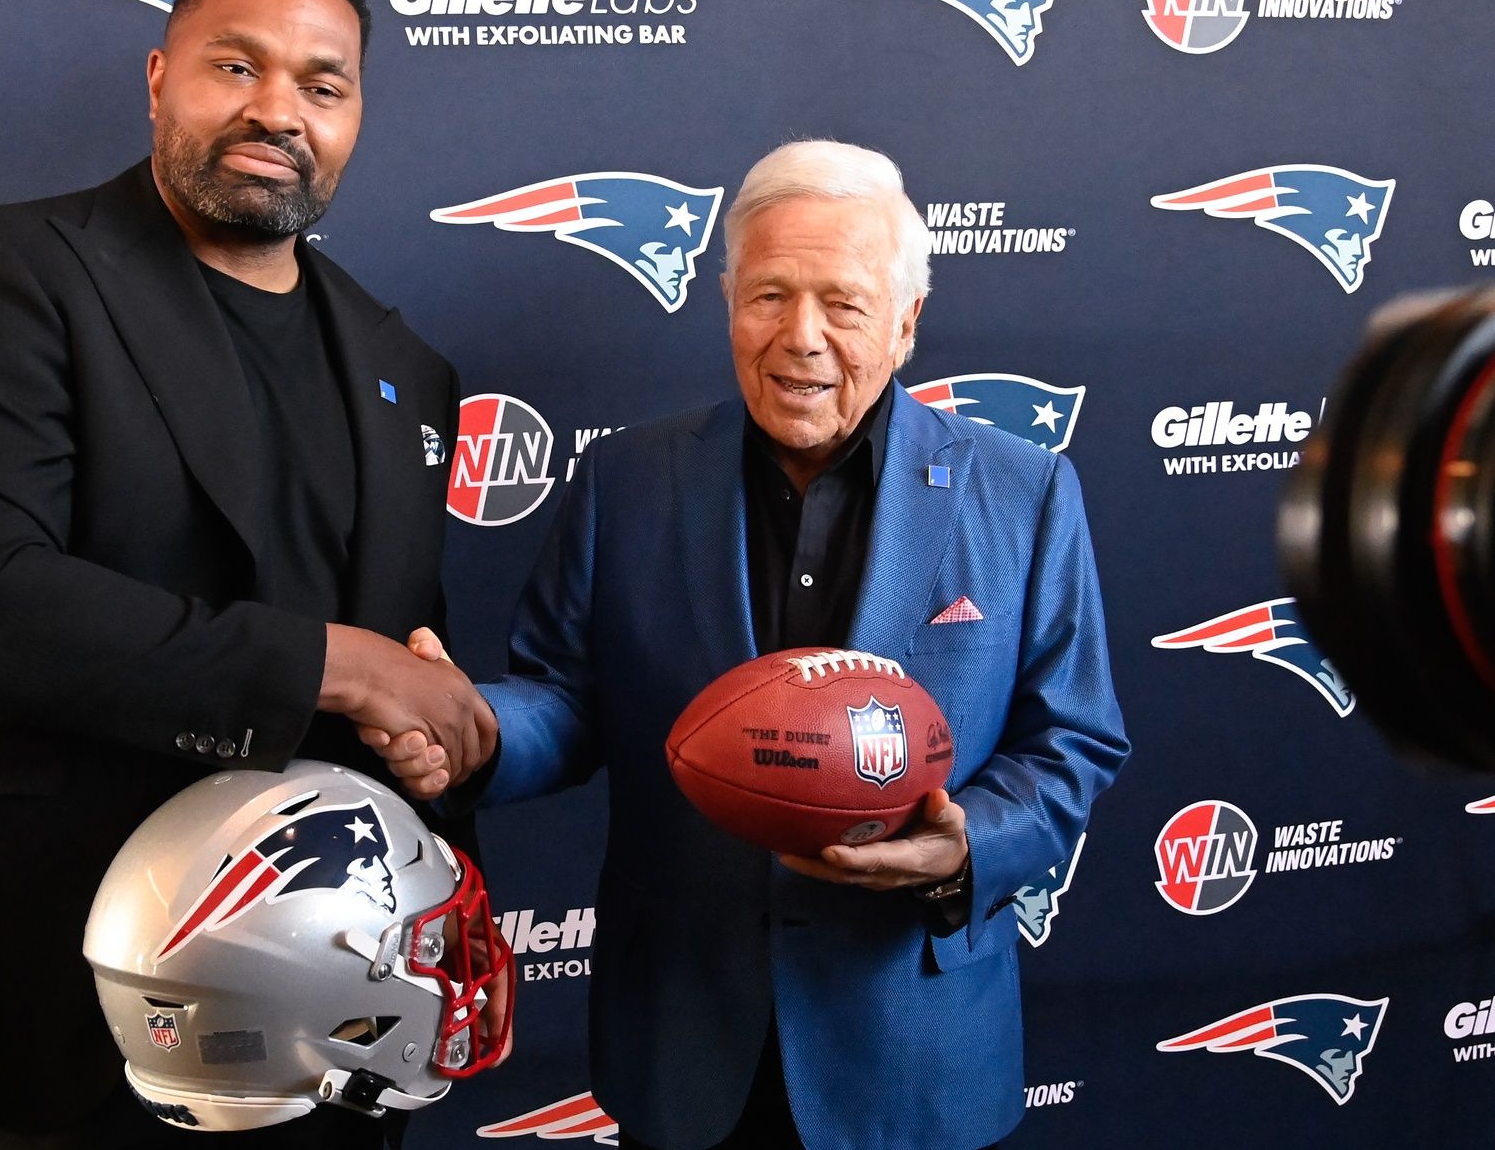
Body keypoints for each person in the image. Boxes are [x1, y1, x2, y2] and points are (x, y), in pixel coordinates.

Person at [0, 0, 496, 1150]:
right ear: (157, 79)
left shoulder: (407, 366)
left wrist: (431, 731)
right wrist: (339, 663)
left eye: (321, 84)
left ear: (355, 116)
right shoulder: (6, 271)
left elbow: (408, 659)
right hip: (82, 1002)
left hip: (339, 1024)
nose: (277, 110)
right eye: (233, 67)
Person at [402, 141, 1129, 1150]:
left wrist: (965, 847)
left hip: (912, 1047)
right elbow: (567, 697)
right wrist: (474, 729)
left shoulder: (1024, 491)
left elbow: (1073, 740)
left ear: (906, 321)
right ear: (725, 299)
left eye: (844, 302)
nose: (801, 339)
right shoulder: (627, 481)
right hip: (687, 1033)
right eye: (768, 296)